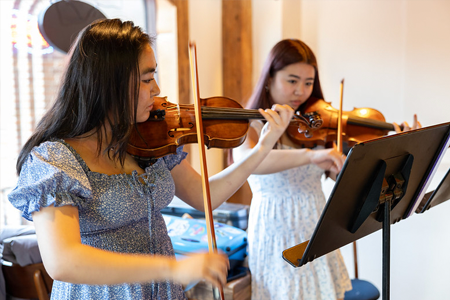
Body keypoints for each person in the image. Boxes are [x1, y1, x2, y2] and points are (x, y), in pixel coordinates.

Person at [7, 19, 294, 300]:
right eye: (146, 79)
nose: (156, 89)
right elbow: (63, 262)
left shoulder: (147, 139)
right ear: (109, 83)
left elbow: (206, 195)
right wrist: (172, 268)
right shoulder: (54, 160)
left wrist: (264, 147)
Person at [232, 39, 420, 300]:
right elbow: (252, 163)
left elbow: (339, 175)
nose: (301, 91)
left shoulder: (315, 125)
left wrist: (399, 143)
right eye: (292, 80)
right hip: (276, 227)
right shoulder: (248, 126)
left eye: (308, 83)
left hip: (316, 224)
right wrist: (310, 155)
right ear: (269, 79)